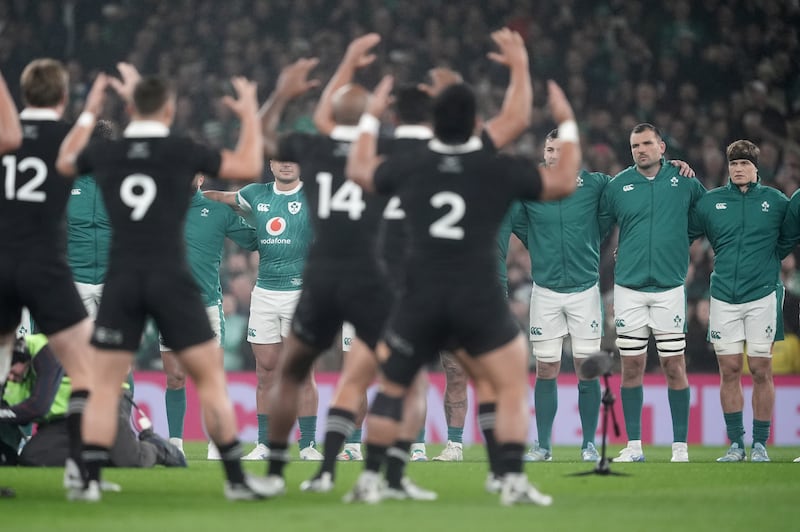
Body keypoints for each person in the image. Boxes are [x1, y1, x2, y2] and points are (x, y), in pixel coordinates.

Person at [345, 30, 579, 506]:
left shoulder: (411, 162)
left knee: (393, 387)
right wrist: (561, 114)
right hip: (477, 294)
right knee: (509, 382)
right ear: (477, 122)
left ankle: (371, 479)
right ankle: (511, 479)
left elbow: (360, 171)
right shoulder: (493, 166)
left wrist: (370, 117)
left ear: (432, 123)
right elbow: (556, 178)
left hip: (418, 294)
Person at [55, 63, 274, 501]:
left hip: (121, 278)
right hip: (171, 278)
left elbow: (62, 161)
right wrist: (250, 111)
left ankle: (90, 479)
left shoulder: (106, 156)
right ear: (171, 108)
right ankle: (235, 480)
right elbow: (248, 163)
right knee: (210, 377)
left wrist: (88, 111)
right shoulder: (182, 151)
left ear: (131, 107)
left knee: (104, 382)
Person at [256, 39, 430, 500]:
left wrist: (283, 92)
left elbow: (267, 133)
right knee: (405, 378)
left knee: (290, 373)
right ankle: (391, 477)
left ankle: (275, 470)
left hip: (320, 273)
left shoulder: (310, 148)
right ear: (375, 116)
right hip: (370, 276)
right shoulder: (386, 150)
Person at [0, 58, 97, 496]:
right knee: (85, 368)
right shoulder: (69, 138)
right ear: (62, 96)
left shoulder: (5, 135)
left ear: (24, 95)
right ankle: (80, 473)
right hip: (45, 262)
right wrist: (92, 110)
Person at [598, 123, 706, 463]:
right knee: (631, 367)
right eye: (635, 145)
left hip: (669, 289)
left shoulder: (685, 181)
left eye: (647, 143)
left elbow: (703, 219)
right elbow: (602, 226)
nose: (641, 149)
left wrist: (678, 243)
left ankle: (680, 448)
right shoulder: (618, 186)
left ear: (662, 147)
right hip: (628, 289)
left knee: (674, 365)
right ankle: (633, 446)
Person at [204, 161, 321, 462]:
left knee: (303, 371)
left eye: (291, 159)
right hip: (265, 293)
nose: (285, 165)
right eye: (279, 159)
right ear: (271, 163)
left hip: (300, 293)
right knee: (265, 371)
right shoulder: (255, 193)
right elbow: (222, 198)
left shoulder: (315, 195)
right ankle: (265, 443)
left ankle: (308, 445)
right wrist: (192, 194)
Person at [690, 139, 788, 463]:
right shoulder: (711, 202)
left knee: (761, 369)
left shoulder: (775, 202)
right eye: (733, 164)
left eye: (744, 163)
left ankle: (760, 444)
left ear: (756, 168)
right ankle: (736, 444)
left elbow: (789, 238)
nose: (738, 169)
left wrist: (772, 265)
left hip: (762, 296)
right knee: (729, 369)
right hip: (723, 297)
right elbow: (683, 234)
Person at [158, 173, 259, 460]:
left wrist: (254, 212)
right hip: (170, 305)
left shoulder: (217, 211)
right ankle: (175, 442)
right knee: (175, 377)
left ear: (201, 178)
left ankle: (217, 441)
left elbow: (252, 241)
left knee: (212, 377)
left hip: (208, 307)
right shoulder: (160, 209)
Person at [0, 334, 185, 468]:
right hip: (60, 422)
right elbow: (14, 416)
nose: (10, 377)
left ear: (21, 356)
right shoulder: (9, 378)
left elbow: (38, 406)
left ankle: (157, 448)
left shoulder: (43, 349)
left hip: (102, 404)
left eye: (12, 370)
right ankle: (95, 456)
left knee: (128, 461)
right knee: (31, 458)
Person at [66, 120, 115, 320]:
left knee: (112, 349)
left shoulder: (122, 185)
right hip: (75, 280)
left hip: (111, 280)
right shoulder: (66, 182)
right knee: (78, 349)